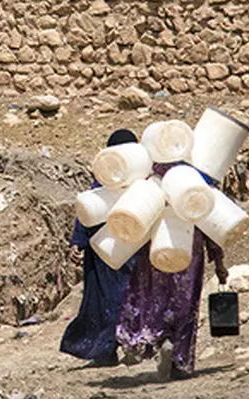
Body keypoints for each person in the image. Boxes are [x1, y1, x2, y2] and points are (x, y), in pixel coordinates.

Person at [115, 170, 229, 379]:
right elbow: (211, 222)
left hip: (156, 252)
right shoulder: (197, 180)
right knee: (185, 305)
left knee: (157, 301)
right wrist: (219, 262)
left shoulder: (148, 179)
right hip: (188, 251)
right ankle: (179, 359)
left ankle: (160, 339)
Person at [59, 129, 142, 367]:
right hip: (125, 250)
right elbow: (91, 207)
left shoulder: (113, 177)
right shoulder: (135, 179)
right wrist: (79, 240)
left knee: (110, 300)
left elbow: (89, 208)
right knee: (125, 297)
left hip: (106, 252)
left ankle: (109, 350)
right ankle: (123, 346)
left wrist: (79, 241)